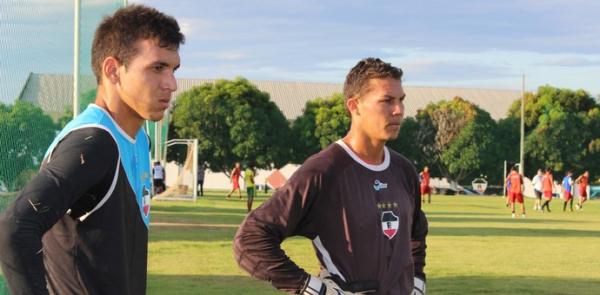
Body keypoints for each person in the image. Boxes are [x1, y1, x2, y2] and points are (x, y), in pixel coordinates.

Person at [0, 5, 183, 294]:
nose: (171, 84)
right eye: (157, 67)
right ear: (113, 70)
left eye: (174, 69)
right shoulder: (95, 141)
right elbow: (15, 225)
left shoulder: (139, 139)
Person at [234, 58, 428, 294]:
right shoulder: (324, 171)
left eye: (400, 100)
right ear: (354, 106)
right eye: (387, 101)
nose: (398, 110)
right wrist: (311, 288)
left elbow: (416, 230)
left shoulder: (404, 169)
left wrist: (417, 280)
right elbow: (250, 239)